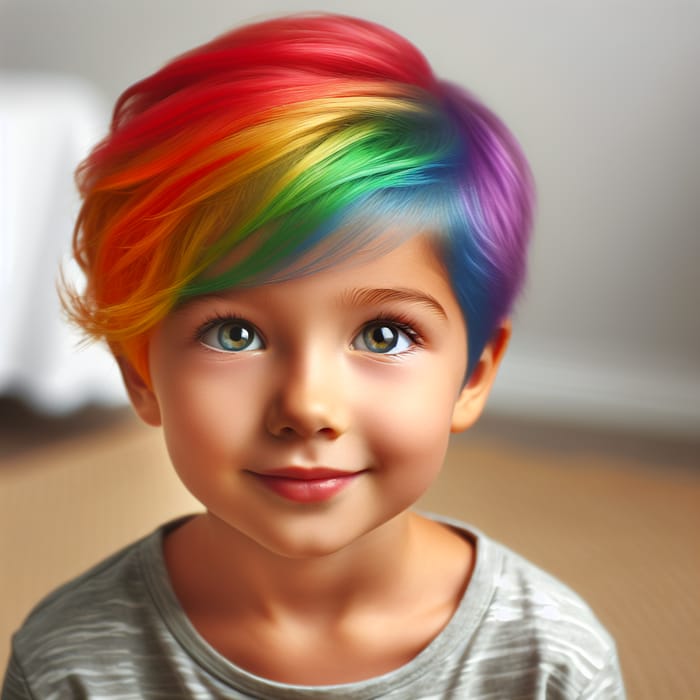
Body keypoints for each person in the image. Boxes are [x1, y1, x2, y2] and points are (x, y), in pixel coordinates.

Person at [2, 13, 625, 699]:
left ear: (474, 374)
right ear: (140, 372)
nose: (307, 406)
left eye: (383, 335)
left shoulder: (551, 663)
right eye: (234, 334)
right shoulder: (67, 665)